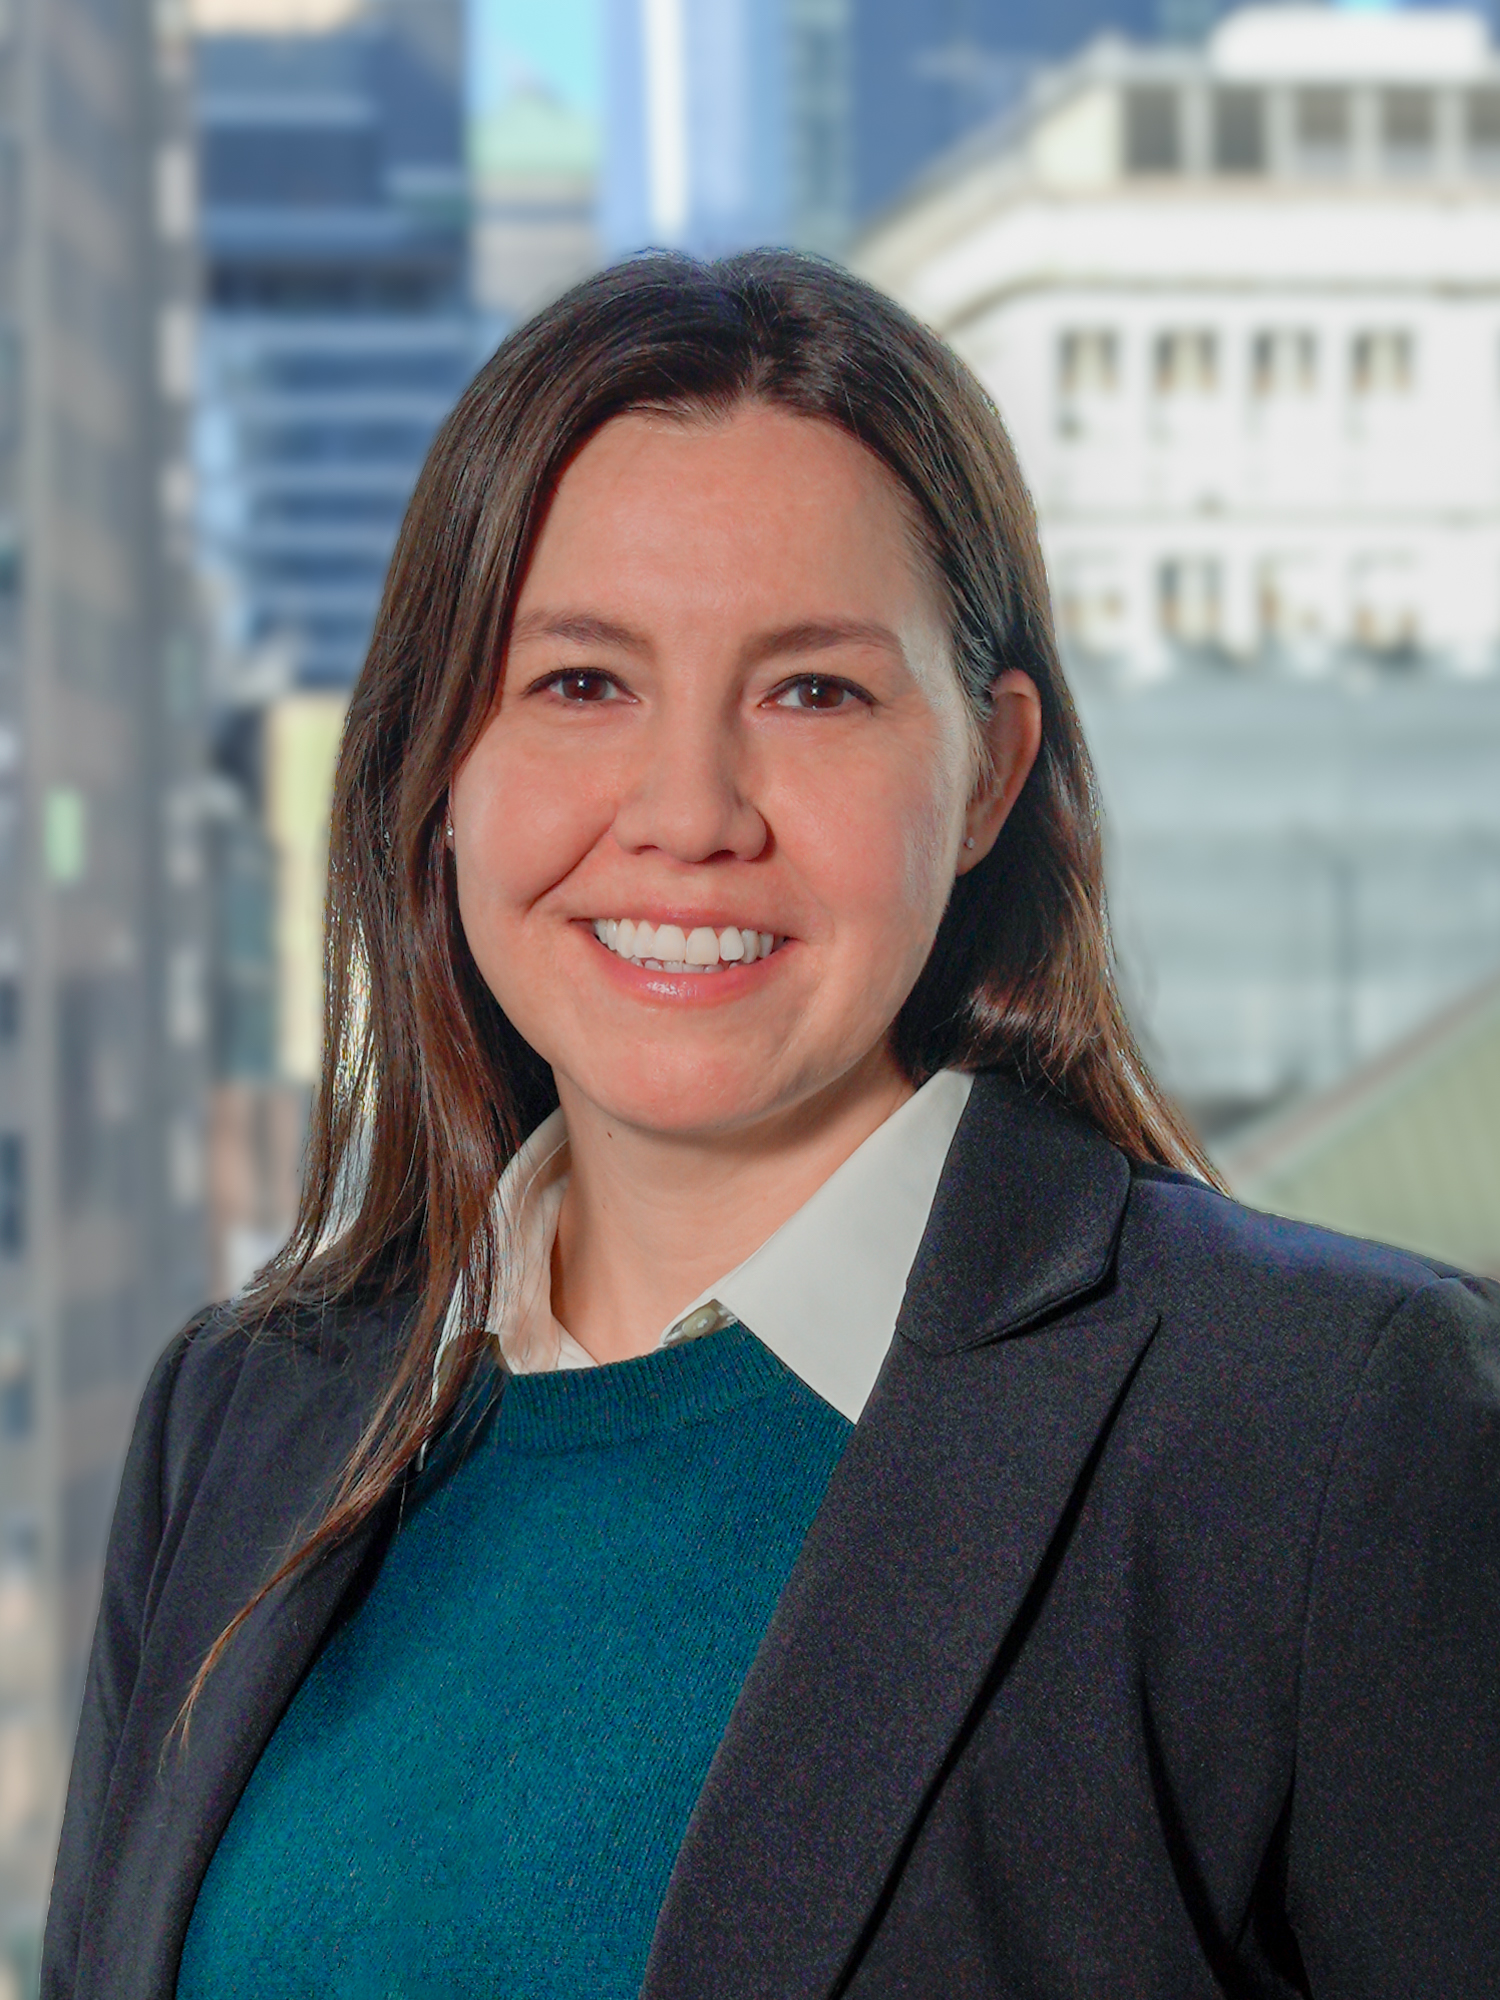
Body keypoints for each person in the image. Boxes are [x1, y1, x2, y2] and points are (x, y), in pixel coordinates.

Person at [42, 253, 1499, 2000]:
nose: (689, 814)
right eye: (582, 682)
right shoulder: (246, 1414)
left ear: (985, 770)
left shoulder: (1328, 1428)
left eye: (814, 691)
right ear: (442, 765)